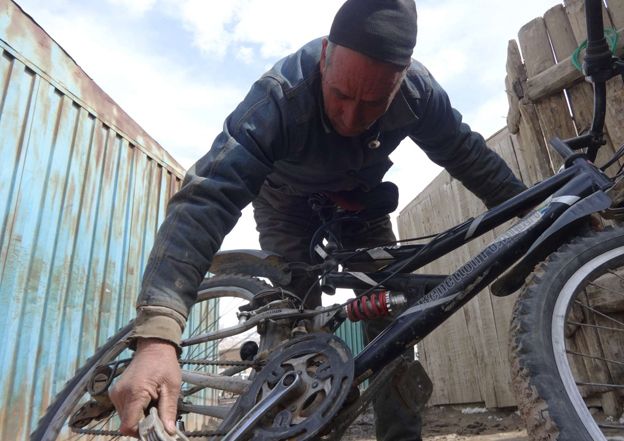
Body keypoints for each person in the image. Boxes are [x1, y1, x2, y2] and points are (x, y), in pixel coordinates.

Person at [110, 0, 527, 439]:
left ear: (401, 81)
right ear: (326, 56)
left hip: (359, 208)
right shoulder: (278, 96)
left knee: (395, 324)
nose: (350, 118)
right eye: (341, 95)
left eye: (372, 105)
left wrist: (533, 214)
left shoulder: (418, 94)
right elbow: (206, 198)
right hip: (285, 208)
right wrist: (158, 336)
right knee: (293, 331)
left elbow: (469, 156)